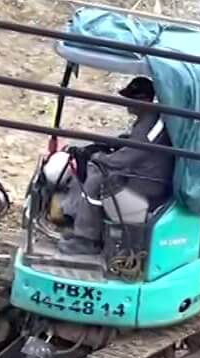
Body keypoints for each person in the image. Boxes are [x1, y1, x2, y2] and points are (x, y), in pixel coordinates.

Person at [55, 77, 176, 255]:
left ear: (143, 100)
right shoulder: (147, 119)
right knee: (93, 169)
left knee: (95, 178)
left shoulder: (151, 123)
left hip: (147, 184)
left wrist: (100, 157)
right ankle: (76, 220)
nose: (126, 103)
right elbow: (137, 145)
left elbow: (130, 156)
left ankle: (87, 240)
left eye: (130, 98)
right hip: (140, 173)